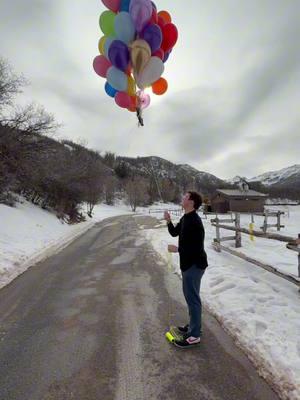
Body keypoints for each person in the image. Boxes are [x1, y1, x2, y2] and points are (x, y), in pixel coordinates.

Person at [164, 191, 208, 348]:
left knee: (193, 300)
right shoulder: (185, 218)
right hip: (188, 264)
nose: (182, 198)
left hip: (195, 265)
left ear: (192, 202)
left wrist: (177, 250)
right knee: (190, 298)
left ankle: (195, 335)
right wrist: (169, 221)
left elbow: (196, 248)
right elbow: (174, 232)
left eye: (185, 196)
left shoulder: (195, 222)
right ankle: (192, 327)